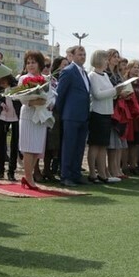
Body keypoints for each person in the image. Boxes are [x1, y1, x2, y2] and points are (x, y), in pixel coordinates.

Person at [18, 50, 54, 189]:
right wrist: (32, 102)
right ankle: (28, 177)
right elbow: (21, 97)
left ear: (39, 63)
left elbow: (51, 96)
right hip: (28, 114)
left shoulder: (46, 79)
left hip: (41, 116)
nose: (31, 65)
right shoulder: (23, 78)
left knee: (36, 148)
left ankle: (28, 176)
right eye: (28, 62)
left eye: (33, 62)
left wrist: (47, 103)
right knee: (28, 147)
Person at [55, 46, 90, 186]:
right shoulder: (68, 71)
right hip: (71, 115)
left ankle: (76, 174)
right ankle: (66, 175)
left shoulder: (84, 72)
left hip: (83, 115)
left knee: (79, 147)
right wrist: (64, 112)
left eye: (84, 54)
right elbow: (60, 94)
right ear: (73, 56)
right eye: (80, 54)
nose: (83, 56)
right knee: (69, 146)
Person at [87, 50, 123, 183]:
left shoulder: (105, 75)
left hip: (107, 112)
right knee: (95, 145)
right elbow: (97, 94)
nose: (107, 61)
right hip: (97, 113)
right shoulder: (92, 75)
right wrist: (114, 90)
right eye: (106, 59)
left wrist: (117, 91)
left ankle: (103, 174)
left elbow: (110, 94)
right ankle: (92, 173)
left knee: (103, 145)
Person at [43, 56, 69, 181]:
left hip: (57, 114)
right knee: (45, 144)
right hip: (45, 114)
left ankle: (48, 170)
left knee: (52, 145)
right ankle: (40, 171)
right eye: (63, 65)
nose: (46, 68)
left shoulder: (53, 79)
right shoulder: (43, 79)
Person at [104, 49, 128, 179]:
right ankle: (109, 169)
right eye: (114, 56)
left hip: (119, 109)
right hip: (110, 108)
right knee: (110, 142)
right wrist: (118, 93)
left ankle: (115, 168)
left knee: (117, 142)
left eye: (117, 57)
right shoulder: (106, 73)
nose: (116, 59)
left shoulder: (117, 73)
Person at [0, 75, 20, 181]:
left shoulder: (16, 86)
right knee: (1, 144)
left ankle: (11, 172)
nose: (2, 84)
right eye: (1, 83)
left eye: (4, 82)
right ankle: (0, 171)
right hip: (3, 116)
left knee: (14, 144)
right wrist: (1, 104)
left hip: (16, 116)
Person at [124, 60, 139, 175]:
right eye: (134, 67)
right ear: (129, 69)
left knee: (137, 142)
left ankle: (134, 165)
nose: (137, 69)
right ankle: (124, 165)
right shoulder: (125, 81)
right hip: (128, 116)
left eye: (138, 67)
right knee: (128, 142)